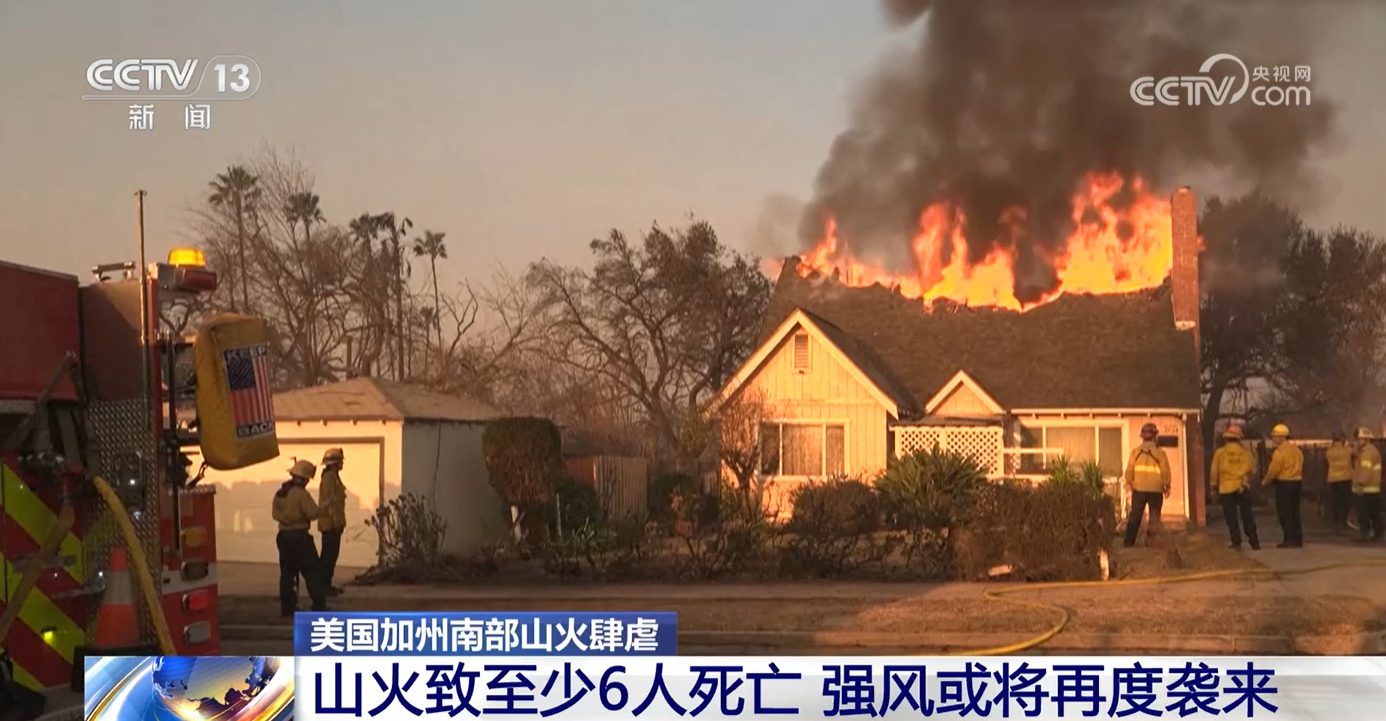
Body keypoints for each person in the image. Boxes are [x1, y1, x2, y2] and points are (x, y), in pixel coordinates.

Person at [272, 459, 328, 615]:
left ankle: (287, 608)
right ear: (303, 479)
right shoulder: (301, 494)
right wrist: (323, 508)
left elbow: (275, 514)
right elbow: (313, 513)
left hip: (284, 536)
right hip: (300, 537)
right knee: (312, 572)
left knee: (287, 574)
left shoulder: (280, 493)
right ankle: (318, 604)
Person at [1209, 424, 1259, 551]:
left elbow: (1214, 471)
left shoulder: (1220, 453)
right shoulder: (1246, 453)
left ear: (1226, 438)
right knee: (1247, 515)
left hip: (1226, 488)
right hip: (1242, 487)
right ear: (1239, 438)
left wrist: (1213, 485)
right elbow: (1253, 469)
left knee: (1231, 517)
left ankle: (1236, 542)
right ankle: (1254, 541)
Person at [1122, 422, 1171, 548]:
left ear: (1142, 437)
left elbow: (1129, 471)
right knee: (1154, 517)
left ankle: (1128, 542)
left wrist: (1129, 483)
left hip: (1139, 489)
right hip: (1156, 490)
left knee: (1135, 516)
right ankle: (1152, 542)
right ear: (1155, 436)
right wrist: (1167, 486)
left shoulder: (1135, 452)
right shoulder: (1160, 453)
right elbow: (1165, 471)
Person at [1262, 423, 1304, 548]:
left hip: (1284, 484)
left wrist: (1265, 481)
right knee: (1295, 511)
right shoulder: (1297, 450)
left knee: (1285, 513)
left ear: (1281, 437)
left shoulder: (1279, 452)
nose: (1273, 439)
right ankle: (1297, 539)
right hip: (1297, 482)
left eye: (1275, 436)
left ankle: (1289, 539)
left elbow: (1274, 470)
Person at [318, 447, 348, 596]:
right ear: (334, 463)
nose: (342, 464)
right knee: (328, 557)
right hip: (330, 525)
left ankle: (326, 584)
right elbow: (331, 502)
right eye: (340, 462)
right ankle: (323, 586)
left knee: (331, 556)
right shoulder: (329, 478)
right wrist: (336, 523)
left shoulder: (333, 477)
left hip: (333, 523)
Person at [1352, 427, 1383, 543]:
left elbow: (1366, 470)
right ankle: (1378, 534)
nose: (1358, 442)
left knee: (1363, 514)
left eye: (1360, 439)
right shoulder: (1372, 451)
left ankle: (1365, 534)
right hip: (1372, 488)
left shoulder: (1367, 453)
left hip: (1365, 488)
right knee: (1374, 513)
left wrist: (1361, 483)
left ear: (1367, 440)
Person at [1325, 430, 1356, 532]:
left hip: (1333, 479)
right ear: (1343, 440)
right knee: (1344, 502)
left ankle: (1336, 523)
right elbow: (1356, 452)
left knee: (1335, 502)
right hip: (1345, 479)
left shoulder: (1329, 452)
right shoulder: (1347, 450)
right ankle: (1343, 522)